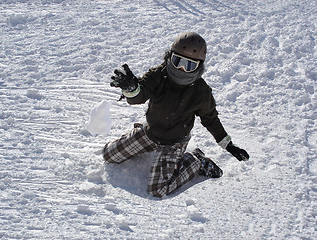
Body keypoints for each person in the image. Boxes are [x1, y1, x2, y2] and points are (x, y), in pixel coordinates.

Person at [103, 32, 249, 198]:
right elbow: (140, 95)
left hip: (174, 142)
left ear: (199, 67)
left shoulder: (200, 91)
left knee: (158, 190)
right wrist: (131, 89)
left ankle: (197, 162)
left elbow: (211, 119)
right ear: (169, 57)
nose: (181, 69)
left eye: (189, 65)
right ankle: (142, 137)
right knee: (108, 155)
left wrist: (228, 144)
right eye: (178, 61)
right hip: (150, 133)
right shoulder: (158, 75)